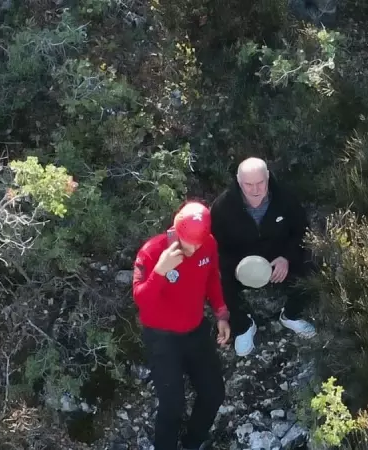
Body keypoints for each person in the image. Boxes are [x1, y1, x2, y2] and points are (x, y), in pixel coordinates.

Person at [131, 201, 231, 450]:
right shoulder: (152, 252)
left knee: (213, 394)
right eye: (188, 241)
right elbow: (141, 299)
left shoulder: (208, 244)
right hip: (162, 339)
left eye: (198, 242)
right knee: (172, 405)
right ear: (176, 230)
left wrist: (221, 313)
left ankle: (191, 443)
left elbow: (211, 278)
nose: (193, 247)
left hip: (195, 330)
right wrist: (161, 272)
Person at [210, 157, 317, 357]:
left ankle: (291, 315)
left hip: (277, 258)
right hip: (240, 263)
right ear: (239, 181)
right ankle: (243, 325)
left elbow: (302, 231)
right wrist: (235, 267)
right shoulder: (223, 207)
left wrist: (286, 257)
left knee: (310, 265)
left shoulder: (285, 199)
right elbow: (216, 245)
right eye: (248, 184)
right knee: (218, 279)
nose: (255, 189)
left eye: (260, 182)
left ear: (267, 176)